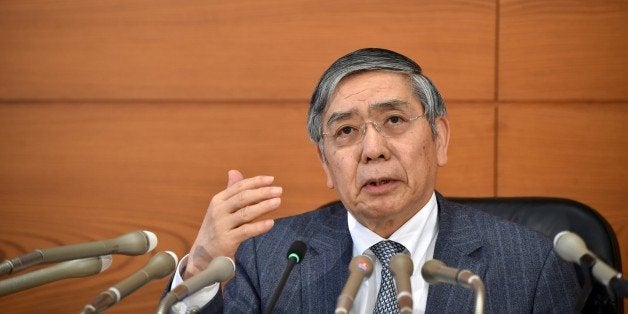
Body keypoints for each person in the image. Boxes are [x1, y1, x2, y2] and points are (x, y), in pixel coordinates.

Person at [167, 48, 580, 313]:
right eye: (346, 131)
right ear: (326, 163)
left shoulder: (531, 265)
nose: (373, 149)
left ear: (439, 138)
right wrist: (202, 268)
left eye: (394, 121)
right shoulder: (269, 261)